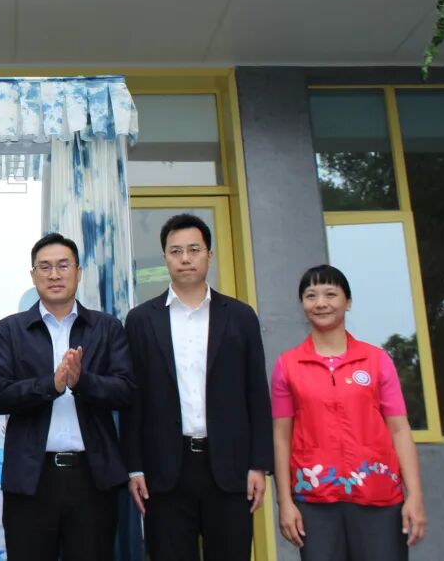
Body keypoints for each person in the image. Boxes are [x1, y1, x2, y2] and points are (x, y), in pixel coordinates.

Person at [123, 213, 272, 561]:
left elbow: (256, 393)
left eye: (194, 249)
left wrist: (258, 464)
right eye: (176, 251)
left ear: (209, 255)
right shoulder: (141, 320)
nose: (185, 258)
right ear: (165, 258)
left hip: (229, 467)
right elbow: (133, 400)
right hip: (165, 471)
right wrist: (135, 466)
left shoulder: (240, 317)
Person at [0, 232, 135, 561]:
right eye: (45, 267)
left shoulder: (106, 328)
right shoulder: (10, 330)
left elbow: (125, 391)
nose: (54, 274)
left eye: (63, 266)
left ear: (78, 272)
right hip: (31, 479)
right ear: (33, 275)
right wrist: (51, 385)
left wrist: (82, 381)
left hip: (93, 478)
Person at [272, 264, 427, 560]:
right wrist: (285, 501)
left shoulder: (376, 360)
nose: (321, 303)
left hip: (379, 496)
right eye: (311, 295)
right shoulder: (288, 366)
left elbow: (399, 429)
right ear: (302, 304)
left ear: (348, 302)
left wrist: (415, 496)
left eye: (330, 294)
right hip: (314, 500)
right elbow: (281, 437)